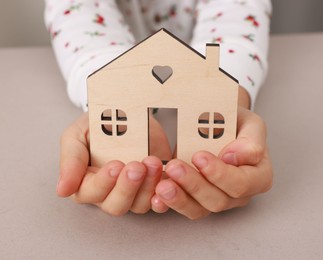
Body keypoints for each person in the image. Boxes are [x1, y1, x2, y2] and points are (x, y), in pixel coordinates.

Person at [45, 0, 273, 219]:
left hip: (206, 64)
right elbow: (79, 10)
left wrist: (227, 99)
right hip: (117, 63)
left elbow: (236, 7)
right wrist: (109, 94)